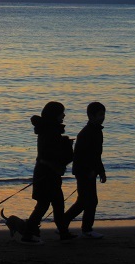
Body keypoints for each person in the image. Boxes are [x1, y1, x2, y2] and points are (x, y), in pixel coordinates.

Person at [21, 101, 76, 244]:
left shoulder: (49, 129)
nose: (63, 115)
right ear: (54, 115)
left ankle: (63, 232)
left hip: (46, 172)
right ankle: (28, 234)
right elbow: (51, 154)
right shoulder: (50, 131)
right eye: (61, 113)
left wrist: (64, 143)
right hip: (47, 173)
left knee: (57, 203)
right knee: (45, 205)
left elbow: (51, 153)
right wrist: (66, 145)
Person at [62, 101, 107, 239]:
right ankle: (85, 229)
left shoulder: (96, 131)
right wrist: (89, 171)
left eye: (103, 114)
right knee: (89, 201)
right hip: (84, 172)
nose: (103, 117)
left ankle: (64, 223)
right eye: (100, 115)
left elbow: (97, 155)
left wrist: (101, 171)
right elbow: (82, 156)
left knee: (85, 201)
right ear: (91, 116)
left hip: (89, 171)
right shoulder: (87, 133)